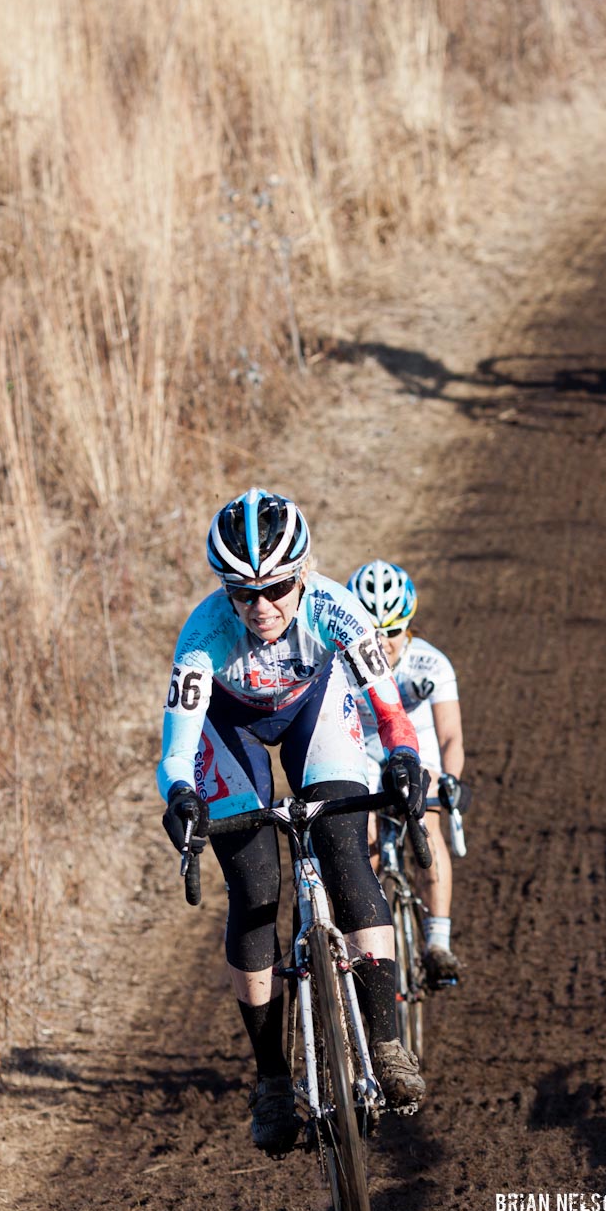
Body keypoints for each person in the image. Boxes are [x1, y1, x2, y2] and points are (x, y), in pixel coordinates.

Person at [157, 488, 427, 1155]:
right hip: (231, 729)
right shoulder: (202, 638)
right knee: (254, 893)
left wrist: (401, 762)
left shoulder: (338, 610)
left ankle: (386, 1046)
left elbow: (390, 715)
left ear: (301, 574)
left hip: (314, 712)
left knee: (344, 853)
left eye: (276, 588)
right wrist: (182, 799)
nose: (261, 608)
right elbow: (176, 751)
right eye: (242, 593)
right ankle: (272, 1080)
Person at [347, 560, 468, 988]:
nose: (383, 642)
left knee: (427, 823)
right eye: (372, 631)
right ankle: (363, 940)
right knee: (365, 842)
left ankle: (437, 943)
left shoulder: (431, 665)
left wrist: (449, 780)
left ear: (409, 627)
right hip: (362, 749)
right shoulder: (343, 666)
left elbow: (451, 735)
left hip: (418, 748)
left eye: (393, 631)